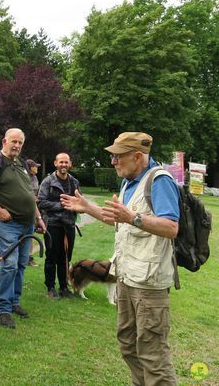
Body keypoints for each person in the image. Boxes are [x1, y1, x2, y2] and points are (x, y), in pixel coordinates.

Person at [61, 132, 179, 385]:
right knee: (128, 344)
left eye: (117, 156)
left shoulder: (159, 181)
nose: (113, 161)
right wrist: (87, 207)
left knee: (152, 353)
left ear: (137, 157)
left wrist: (133, 217)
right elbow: (119, 220)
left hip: (149, 284)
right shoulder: (128, 181)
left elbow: (171, 227)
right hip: (126, 277)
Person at [0, 128, 46, 329]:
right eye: (13, 141)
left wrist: (38, 218)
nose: (16, 145)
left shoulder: (22, 164)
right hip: (8, 224)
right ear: (4, 141)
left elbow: (30, 196)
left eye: (20, 143)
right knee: (10, 265)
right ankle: (4, 310)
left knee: (21, 264)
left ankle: (14, 303)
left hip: (27, 224)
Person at [37, 153, 80, 299]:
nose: (64, 165)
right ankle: (50, 287)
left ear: (70, 164)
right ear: (55, 163)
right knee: (51, 257)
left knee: (65, 257)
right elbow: (40, 202)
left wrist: (76, 206)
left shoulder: (74, 182)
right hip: (53, 225)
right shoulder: (48, 181)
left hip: (69, 225)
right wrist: (61, 205)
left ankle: (63, 287)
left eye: (66, 162)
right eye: (61, 162)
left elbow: (79, 202)